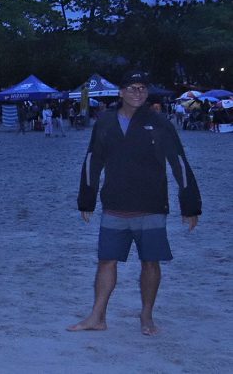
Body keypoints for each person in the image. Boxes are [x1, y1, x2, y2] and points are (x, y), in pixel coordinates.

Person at [69, 70, 203, 336]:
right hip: (114, 204)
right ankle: (97, 316)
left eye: (142, 88)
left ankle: (146, 316)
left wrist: (190, 205)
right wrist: (87, 200)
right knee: (106, 260)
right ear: (121, 92)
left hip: (151, 205)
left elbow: (179, 163)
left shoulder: (159, 122)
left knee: (150, 263)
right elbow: (92, 161)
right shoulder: (105, 122)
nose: (138, 92)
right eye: (132, 88)